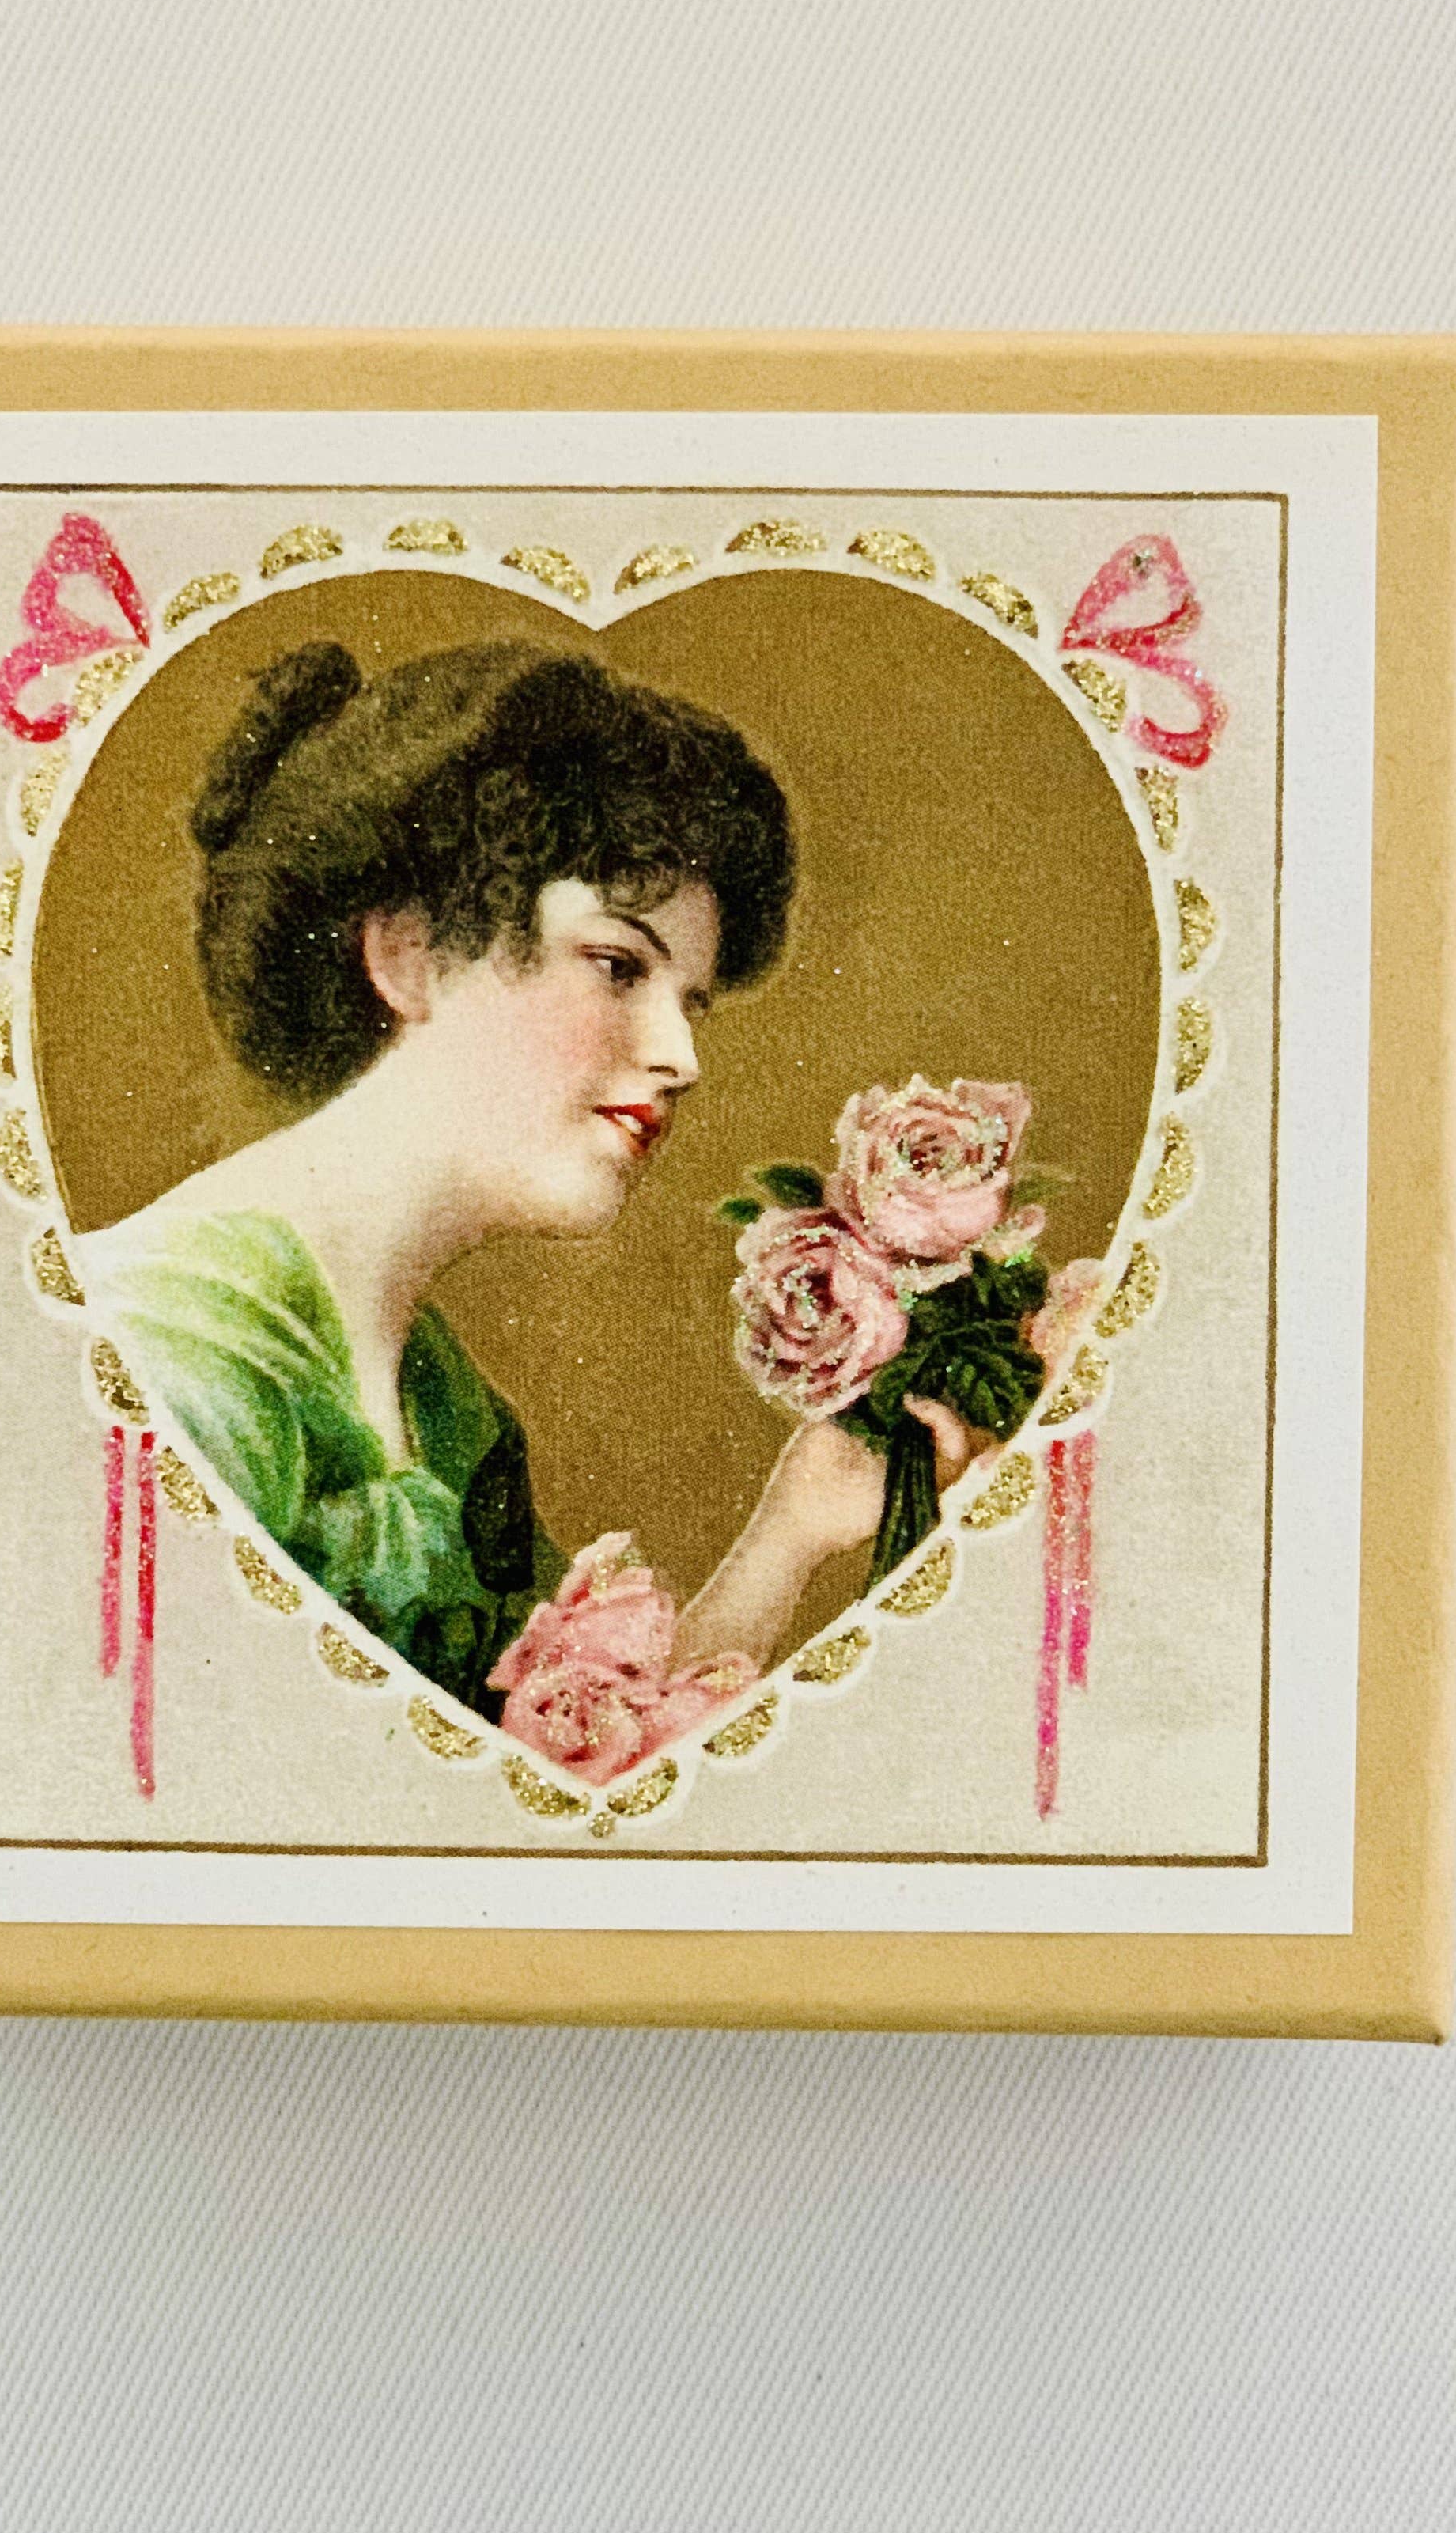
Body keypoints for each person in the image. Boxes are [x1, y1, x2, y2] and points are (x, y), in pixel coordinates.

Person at [72, 635, 987, 1721]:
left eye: (689, 1003)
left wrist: (793, 1529)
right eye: (618, 966)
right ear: (410, 956)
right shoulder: (172, 1350)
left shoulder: (444, 1407)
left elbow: (547, 1768)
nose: (682, 1058)